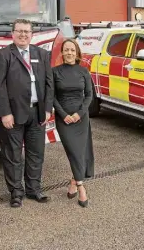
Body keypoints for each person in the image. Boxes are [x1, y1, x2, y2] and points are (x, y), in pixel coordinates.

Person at [0, 19, 54, 208]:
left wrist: (47, 109)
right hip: (13, 114)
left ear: (32, 34)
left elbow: (49, 83)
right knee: (13, 155)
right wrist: (5, 113)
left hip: (37, 113)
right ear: (12, 33)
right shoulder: (3, 55)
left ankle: (34, 189)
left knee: (36, 153)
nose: (23, 35)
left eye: (26, 31)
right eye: (19, 31)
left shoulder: (41, 54)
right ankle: (16, 192)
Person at [52, 39, 94, 207]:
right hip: (64, 119)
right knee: (73, 151)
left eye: (72, 50)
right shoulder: (54, 72)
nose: (69, 53)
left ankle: (74, 182)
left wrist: (79, 114)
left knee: (81, 152)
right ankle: (81, 186)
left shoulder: (83, 72)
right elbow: (52, 97)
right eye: (66, 50)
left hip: (81, 118)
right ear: (62, 52)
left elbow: (89, 95)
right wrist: (63, 115)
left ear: (77, 53)